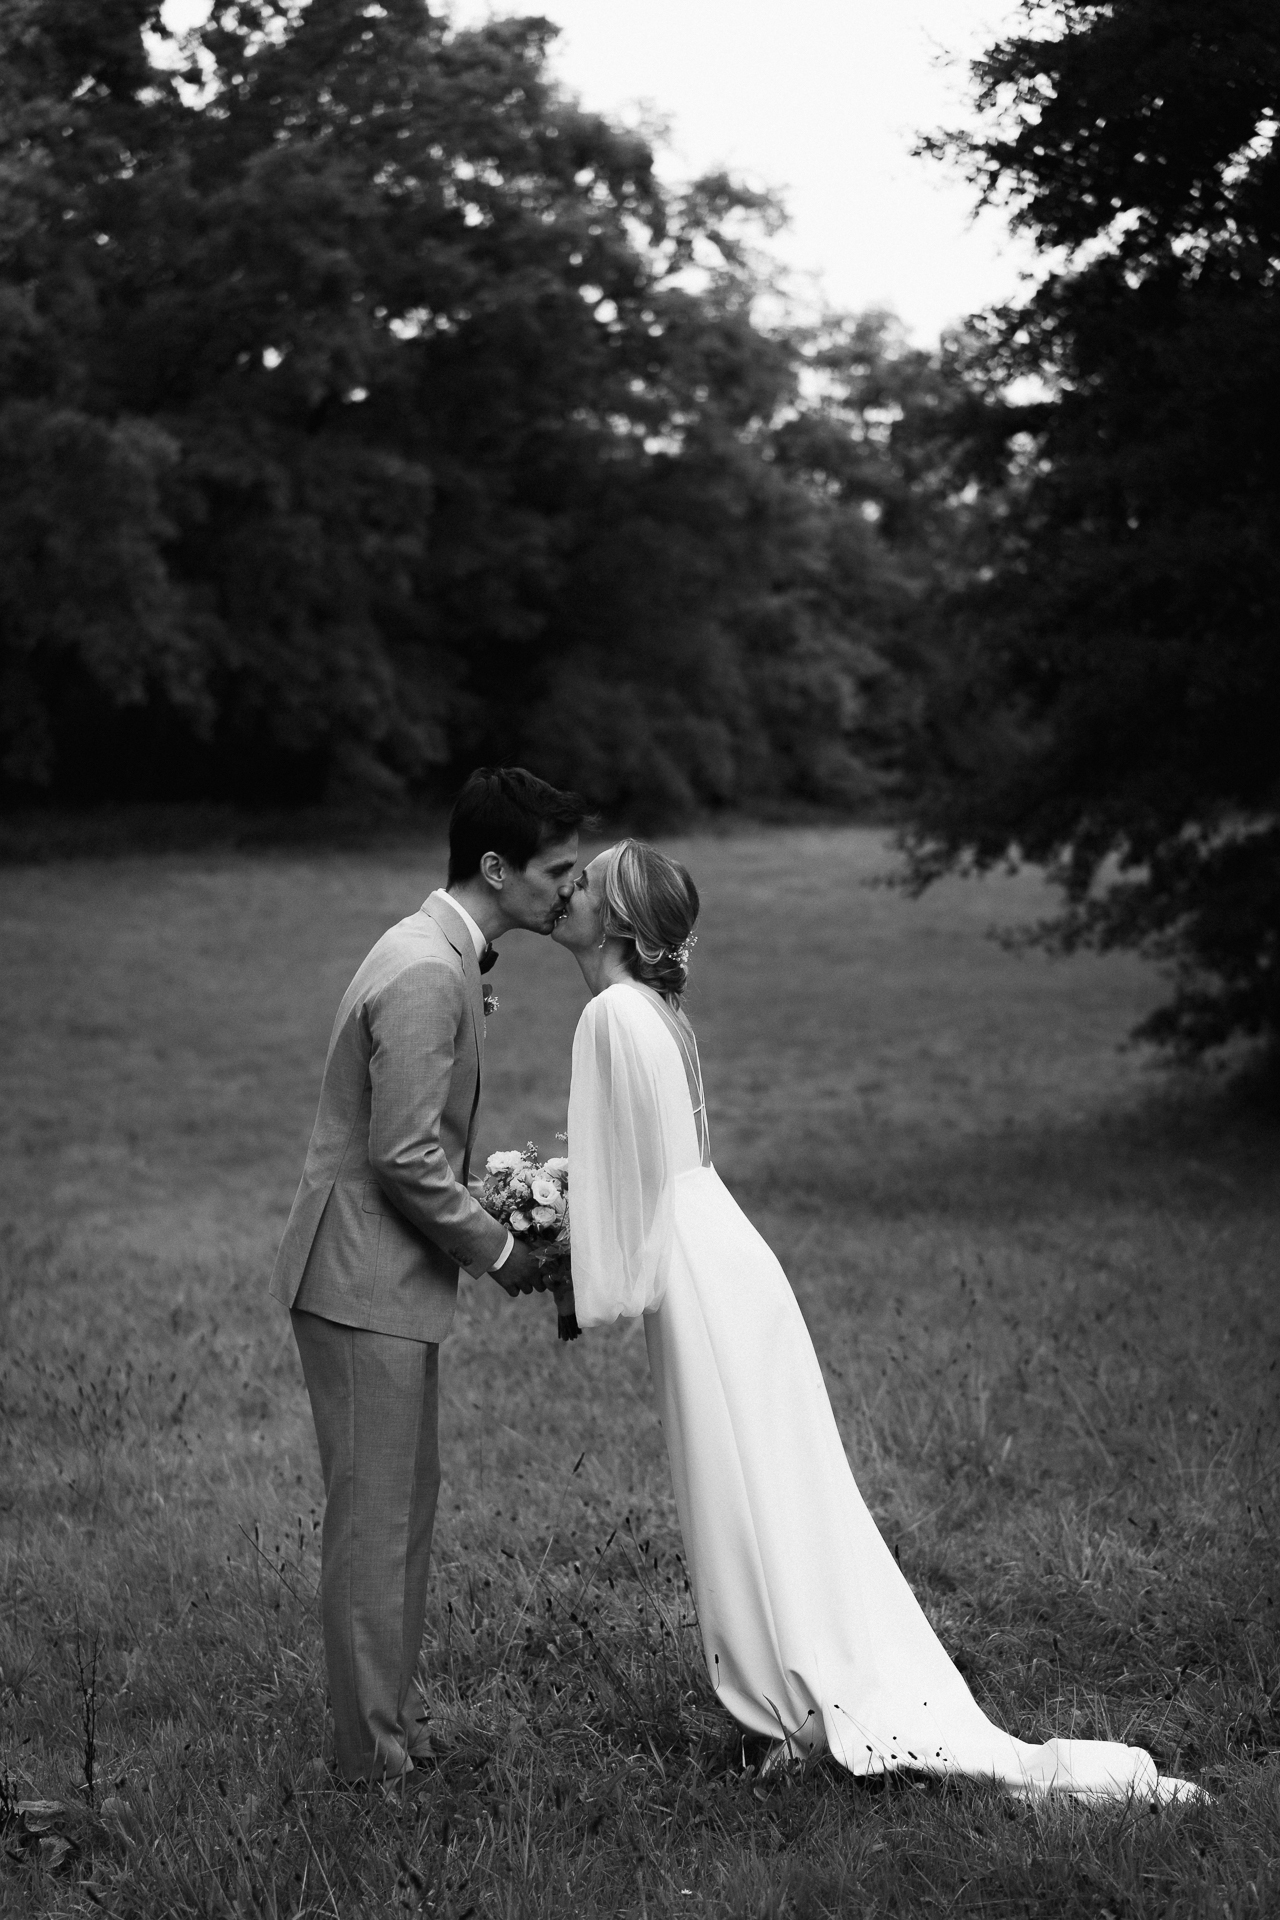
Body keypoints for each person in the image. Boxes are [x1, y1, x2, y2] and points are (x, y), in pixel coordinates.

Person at [552, 839, 1201, 1804]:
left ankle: (784, 1704)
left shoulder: (611, 1012)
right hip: (723, 1253)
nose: (567, 889)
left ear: (617, 922)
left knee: (736, 1486)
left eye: (586, 883)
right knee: (771, 1481)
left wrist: (547, 1247)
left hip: (695, 1269)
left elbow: (619, 1185)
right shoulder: (655, 1011)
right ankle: (787, 1684)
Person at [270, 767, 587, 1784]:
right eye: (557, 872)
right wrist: (501, 1250)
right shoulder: (424, 970)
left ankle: (383, 1729)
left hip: (382, 1279)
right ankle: (368, 1761)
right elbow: (403, 1156)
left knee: (401, 1509)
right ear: (496, 868)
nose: (570, 892)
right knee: (376, 1523)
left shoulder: (442, 949)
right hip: (361, 1281)